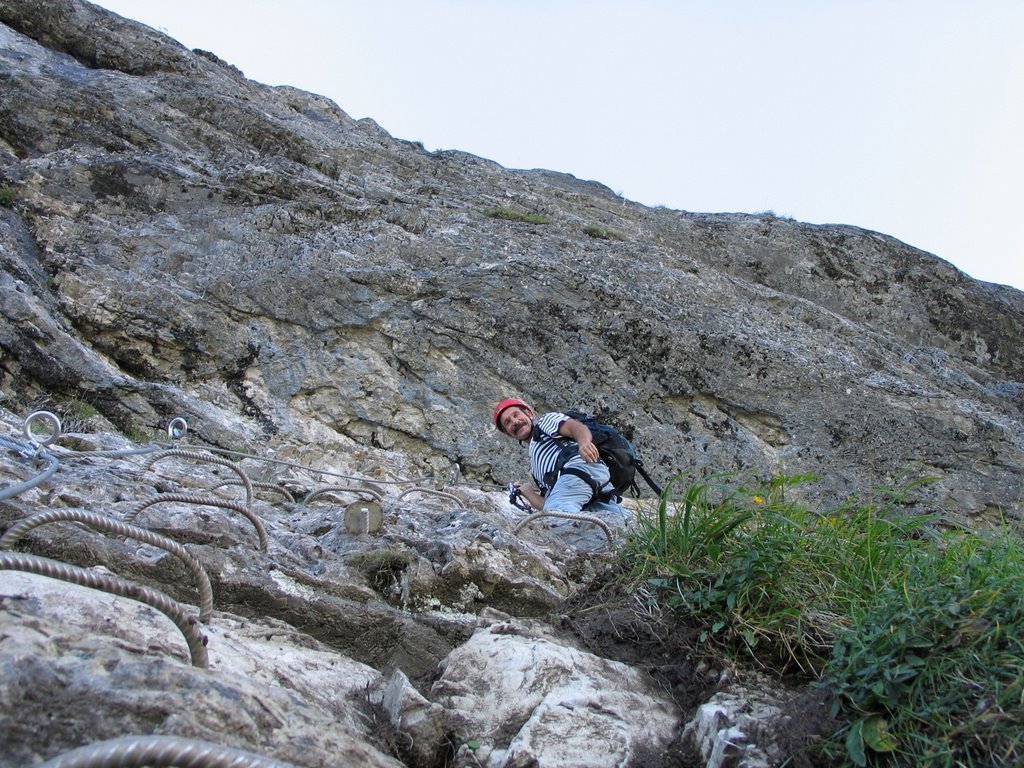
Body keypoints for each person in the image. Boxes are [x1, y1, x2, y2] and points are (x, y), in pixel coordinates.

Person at [492, 398, 629, 522]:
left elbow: (575, 427)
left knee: (555, 521)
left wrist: (584, 443)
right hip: (589, 488)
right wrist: (527, 492)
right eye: (508, 422)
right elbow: (550, 504)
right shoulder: (536, 465)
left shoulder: (545, 422)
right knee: (618, 524)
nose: (515, 422)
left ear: (528, 414)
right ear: (508, 434)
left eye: (516, 415)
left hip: (579, 468)